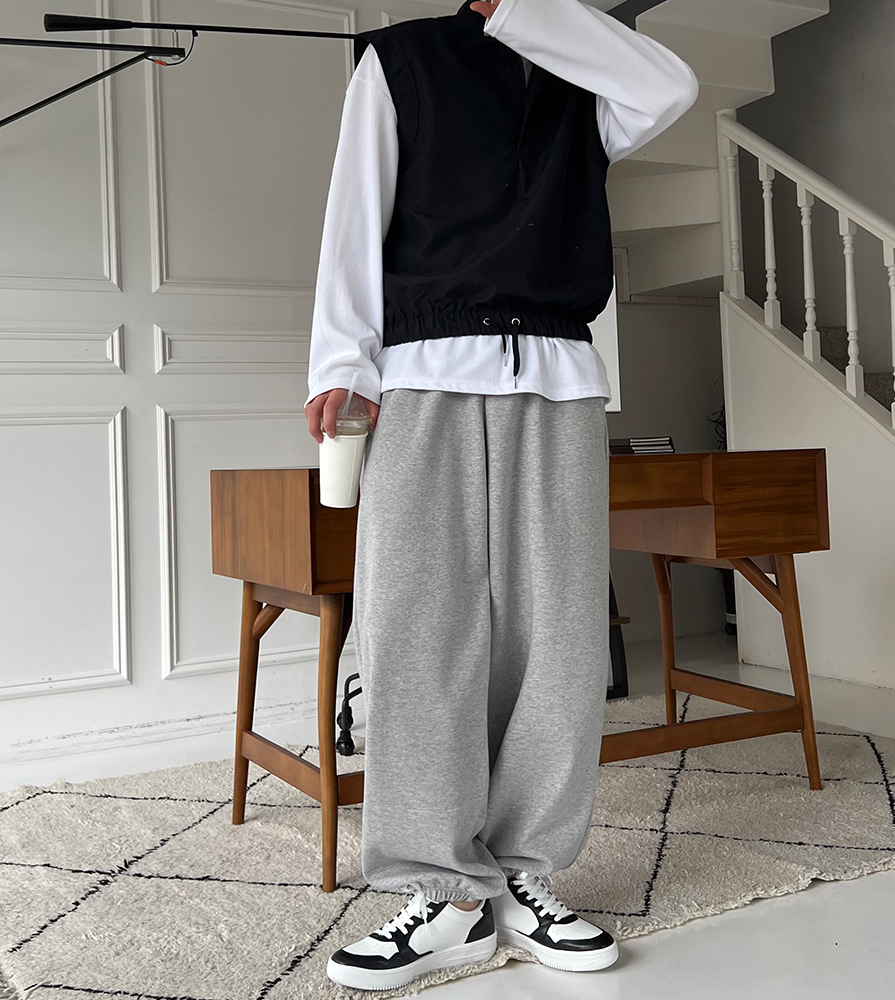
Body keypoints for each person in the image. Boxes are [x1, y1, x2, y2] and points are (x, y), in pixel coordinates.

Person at [303, 0, 698, 989]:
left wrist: (528, 13)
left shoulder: (582, 71)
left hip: (559, 380)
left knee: (558, 638)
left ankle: (524, 874)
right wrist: (341, 363)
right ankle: (445, 894)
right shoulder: (402, 61)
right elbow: (354, 211)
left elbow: (672, 85)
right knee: (415, 630)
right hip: (423, 378)